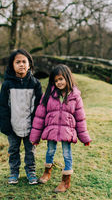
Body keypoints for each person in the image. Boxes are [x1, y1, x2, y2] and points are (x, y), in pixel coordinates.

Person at [30, 64, 91, 193]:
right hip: (51, 130)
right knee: (50, 150)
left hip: (67, 131)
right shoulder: (48, 95)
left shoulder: (75, 97)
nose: (59, 82)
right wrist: (35, 137)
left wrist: (84, 138)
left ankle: (66, 180)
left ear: (68, 78)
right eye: (56, 80)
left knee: (67, 153)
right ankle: (47, 172)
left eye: (61, 79)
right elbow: (39, 117)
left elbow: (80, 118)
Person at [0, 49, 42, 185]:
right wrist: (5, 125)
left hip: (31, 125)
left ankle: (31, 171)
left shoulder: (35, 84)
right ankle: (14, 172)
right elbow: (3, 106)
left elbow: (39, 107)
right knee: (13, 150)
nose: (21, 64)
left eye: (24, 62)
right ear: (12, 65)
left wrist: (37, 125)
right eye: (18, 62)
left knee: (31, 150)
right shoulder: (7, 84)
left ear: (29, 65)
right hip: (13, 125)